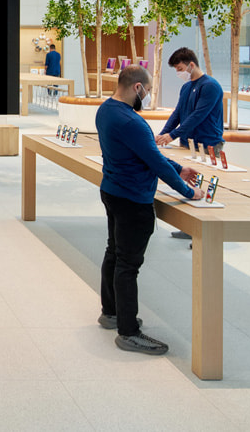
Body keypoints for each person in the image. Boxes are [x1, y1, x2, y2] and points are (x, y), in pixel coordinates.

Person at [97, 65, 203, 356]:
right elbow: (154, 161)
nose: (148, 94)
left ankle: (112, 312)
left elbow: (146, 153)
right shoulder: (132, 121)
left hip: (112, 191)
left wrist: (179, 169)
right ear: (138, 87)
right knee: (127, 265)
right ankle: (128, 332)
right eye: (149, 90)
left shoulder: (106, 110)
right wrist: (189, 192)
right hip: (133, 200)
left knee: (114, 252)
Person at [155, 48, 224, 153]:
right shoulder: (186, 87)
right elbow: (177, 114)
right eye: (176, 69)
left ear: (191, 65)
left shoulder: (210, 86)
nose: (178, 73)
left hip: (207, 144)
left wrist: (172, 135)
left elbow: (198, 115)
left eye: (180, 69)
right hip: (186, 142)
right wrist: (162, 135)